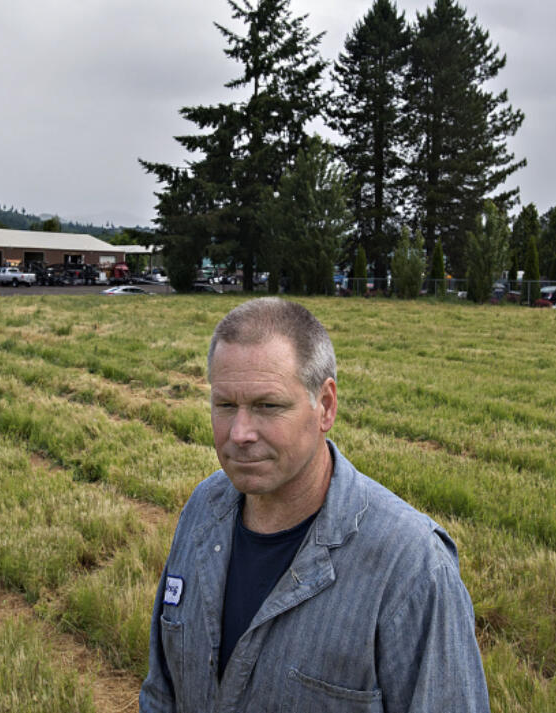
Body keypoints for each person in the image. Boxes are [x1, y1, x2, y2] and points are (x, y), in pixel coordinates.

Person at [140, 298, 489, 712]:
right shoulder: (203, 509)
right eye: (225, 405)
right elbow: (162, 693)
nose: (240, 432)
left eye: (268, 406)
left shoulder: (411, 567)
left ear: (325, 406)